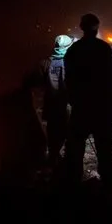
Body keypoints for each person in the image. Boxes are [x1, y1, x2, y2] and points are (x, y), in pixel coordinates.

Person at [63, 14, 112, 188]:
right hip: (102, 109)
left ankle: (73, 188)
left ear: (82, 27)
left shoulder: (74, 50)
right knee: (104, 153)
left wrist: (73, 101)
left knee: (76, 151)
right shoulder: (103, 48)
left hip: (81, 108)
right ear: (97, 28)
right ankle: (109, 189)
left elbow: (69, 81)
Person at [42, 34, 74, 167]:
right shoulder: (70, 63)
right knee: (65, 132)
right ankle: (59, 162)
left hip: (50, 103)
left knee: (52, 131)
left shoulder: (45, 62)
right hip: (64, 105)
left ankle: (52, 158)